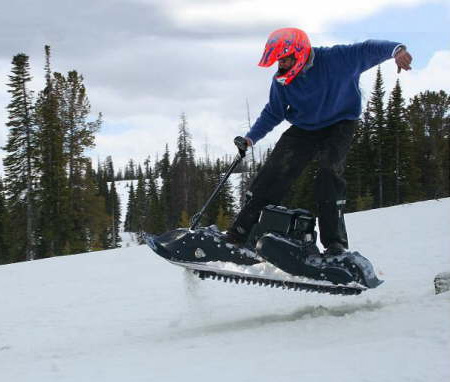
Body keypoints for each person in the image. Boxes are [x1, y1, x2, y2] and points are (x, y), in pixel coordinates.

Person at [226, 28, 412, 255]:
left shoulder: (337, 59)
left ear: (300, 53)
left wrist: (397, 50)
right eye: (278, 61)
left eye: (284, 59)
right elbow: (273, 112)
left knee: (328, 173)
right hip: (305, 127)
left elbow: (367, 49)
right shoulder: (282, 82)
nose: (281, 65)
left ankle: (335, 245)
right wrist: (250, 138)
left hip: (340, 123)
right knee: (273, 172)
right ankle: (239, 235)